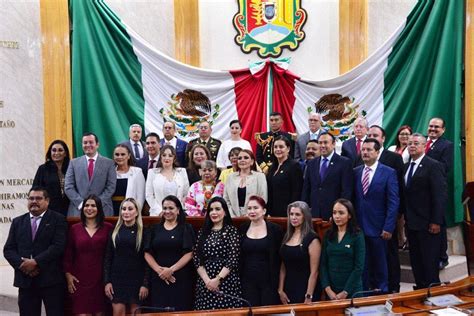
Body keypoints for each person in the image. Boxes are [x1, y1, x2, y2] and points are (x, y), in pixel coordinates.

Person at [3, 187, 68, 315]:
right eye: (31, 198)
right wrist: (23, 266)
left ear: (47, 201)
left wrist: (36, 262)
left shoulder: (58, 219)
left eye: (38, 198)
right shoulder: (18, 222)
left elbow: (58, 246)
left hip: (50, 280)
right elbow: (9, 249)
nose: (34, 201)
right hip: (26, 281)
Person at [353, 139, 399, 293]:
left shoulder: (388, 172)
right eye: (363, 150)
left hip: (379, 228)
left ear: (377, 153)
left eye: (369, 150)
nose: (365, 152)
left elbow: (393, 202)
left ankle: (382, 293)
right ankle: (364, 293)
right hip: (359, 228)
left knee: (380, 265)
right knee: (362, 264)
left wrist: (388, 226)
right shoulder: (356, 171)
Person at [403, 134, 447, 289]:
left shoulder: (433, 165)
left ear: (424, 146)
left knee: (429, 261)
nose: (412, 146)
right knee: (416, 260)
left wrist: (436, 221)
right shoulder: (407, 166)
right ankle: (420, 289)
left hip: (428, 224)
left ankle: (433, 291)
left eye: (416, 143)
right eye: (409, 143)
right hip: (412, 223)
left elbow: (439, 196)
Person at [366, 125, 405, 293]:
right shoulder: (361, 160)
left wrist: (396, 217)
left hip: (386, 219)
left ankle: (393, 287)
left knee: (389, 256)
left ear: (383, 139)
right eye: (370, 134)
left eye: (376, 135)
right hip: (366, 221)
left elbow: (398, 192)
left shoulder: (393, 159)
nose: (372, 137)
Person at [63, 195, 113, 315]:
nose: (89, 208)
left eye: (93, 205)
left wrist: (109, 280)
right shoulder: (74, 229)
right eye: (86, 205)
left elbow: (111, 255)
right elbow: (68, 255)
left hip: (101, 279)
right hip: (79, 279)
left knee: (99, 312)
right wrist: (68, 275)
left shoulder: (108, 228)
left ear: (99, 208)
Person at [144, 195, 195, 311]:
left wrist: (171, 270)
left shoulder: (186, 228)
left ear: (178, 210)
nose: (167, 211)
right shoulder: (154, 229)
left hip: (180, 278)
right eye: (165, 208)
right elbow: (147, 253)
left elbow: (189, 253)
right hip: (159, 278)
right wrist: (159, 270)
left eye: (171, 208)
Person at [193, 197, 242, 310]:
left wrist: (218, 279)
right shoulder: (202, 232)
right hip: (205, 282)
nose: (214, 212)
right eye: (211, 210)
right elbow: (197, 258)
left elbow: (233, 258)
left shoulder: (232, 231)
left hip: (226, 282)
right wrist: (207, 281)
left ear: (225, 212)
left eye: (217, 209)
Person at [104, 198, 149, 315]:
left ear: (137, 212)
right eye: (123, 209)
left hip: (137, 280)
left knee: (135, 313)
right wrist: (107, 281)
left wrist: (145, 284)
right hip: (117, 280)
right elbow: (108, 258)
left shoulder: (143, 232)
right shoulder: (114, 231)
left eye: (130, 209)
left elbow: (147, 261)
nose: (126, 212)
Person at [239, 196, 283, 306]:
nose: (252, 211)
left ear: (264, 210)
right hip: (247, 280)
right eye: (249, 208)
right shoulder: (243, 228)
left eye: (255, 208)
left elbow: (280, 257)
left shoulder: (275, 229)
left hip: (269, 281)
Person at [320, 199, 365, 300]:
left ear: (349, 215)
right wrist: (327, 289)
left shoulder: (357, 235)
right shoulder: (328, 234)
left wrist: (345, 292)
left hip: (352, 291)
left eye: (341, 213)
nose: (337, 216)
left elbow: (359, 267)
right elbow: (323, 264)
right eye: (334, 212)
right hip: (331, 292)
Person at [302, 132, 353, 220]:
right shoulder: (312, 163)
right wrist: (304, 210)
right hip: (314, 214)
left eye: (325, 142)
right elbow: (307, 188)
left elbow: (346, 191)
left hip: (334, 214)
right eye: (320, 143)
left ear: (333, 144)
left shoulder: (344, 163)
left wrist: (340, 212)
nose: (322, 145)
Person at [425, 117, 454, 270]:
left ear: (443, 130)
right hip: (421, 192)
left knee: (438, 223)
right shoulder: (421, 142)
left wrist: (425, 167)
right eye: (431, 126)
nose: (433, 129)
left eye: (437, 127)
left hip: (436, 190)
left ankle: (442, 257)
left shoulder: (446, 145)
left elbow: (445, 167)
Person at [278, 201, 320, 304]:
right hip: (287, 289)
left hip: (304, 289)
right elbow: (283, 265)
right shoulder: (287, 236)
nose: (293, 217)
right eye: (291, 214)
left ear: (305, 216)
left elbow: (314, 272)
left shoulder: (312, 239)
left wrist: (309, 296)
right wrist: (280, 290)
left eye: (297, 214)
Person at [65, 132, 117, 216]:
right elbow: (68, 187)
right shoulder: (73, 163)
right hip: (78, 211)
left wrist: (97, 204)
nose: (88, 145)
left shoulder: (109, 163)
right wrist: (82, 204)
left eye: (91, 142)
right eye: (85, 142)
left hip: (103, 210)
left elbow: (111, 187)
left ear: (97, 144)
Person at [146, 145, 190, 216]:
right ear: (160, 157)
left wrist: (177, 210)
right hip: (158, 214)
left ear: (174, 158)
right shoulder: (152, 173)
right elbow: (149, 195)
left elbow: (186, 194)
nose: (167, 158)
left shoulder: (182, 172)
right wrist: (161, 211)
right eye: (164, 155)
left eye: (170, 155)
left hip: (178, 214)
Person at [224, 149, 267, 217]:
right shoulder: (230, 177)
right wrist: (232, 215)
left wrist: (250, 213)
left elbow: (263, 198)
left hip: (254, 216)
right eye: (239, 158)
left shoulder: (260, 176)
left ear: (252, 161)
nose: (242, 160)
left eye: (246, 158)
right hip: (232, 217)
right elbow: (226, 199)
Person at [267, 136, 303, 217]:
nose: (278, 149)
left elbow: (296, 191)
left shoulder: (294, 166)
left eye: (281, 147)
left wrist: (292, 211)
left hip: (287, 212)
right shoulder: (272, 167)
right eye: (275, 147)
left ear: (288, 149)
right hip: (272, 212)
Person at [33, 139, 71, 216]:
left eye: (60, 150)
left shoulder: (71, 168)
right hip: (49, 210)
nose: (56, 153)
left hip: (69, 209)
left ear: (65, 153)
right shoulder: (43, 169)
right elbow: (36, 189)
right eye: (54, 150)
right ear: (50, 153)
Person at [112, 144, 146, 215]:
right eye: (117, 154)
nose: (120, 157)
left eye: (123, 154)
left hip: (130, 212)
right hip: (112, 210)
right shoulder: (110, 172)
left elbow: (140, 197)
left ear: (129, 156)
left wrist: (136, 213)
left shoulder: (137, 172)